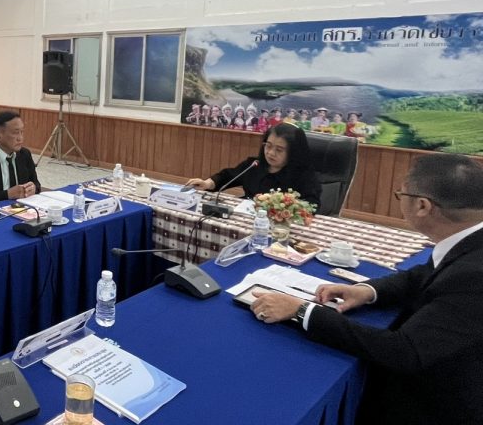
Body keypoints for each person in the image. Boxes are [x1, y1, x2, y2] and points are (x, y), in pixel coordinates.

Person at [249, 154, 483, 424]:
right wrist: (367, 291)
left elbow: (404, 351)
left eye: (400, 194)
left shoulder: (474, 276)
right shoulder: (468, 240)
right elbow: (424, 274)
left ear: (422, 206)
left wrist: (303, 311)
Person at [185, 123, 321, 207]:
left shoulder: (304, 175)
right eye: (268, 146)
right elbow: (228, 175)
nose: (271, 153)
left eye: (279, 150)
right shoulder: (255, 164)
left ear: (293, 152)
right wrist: (207, 183)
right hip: (246, 216)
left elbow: (311, 205)